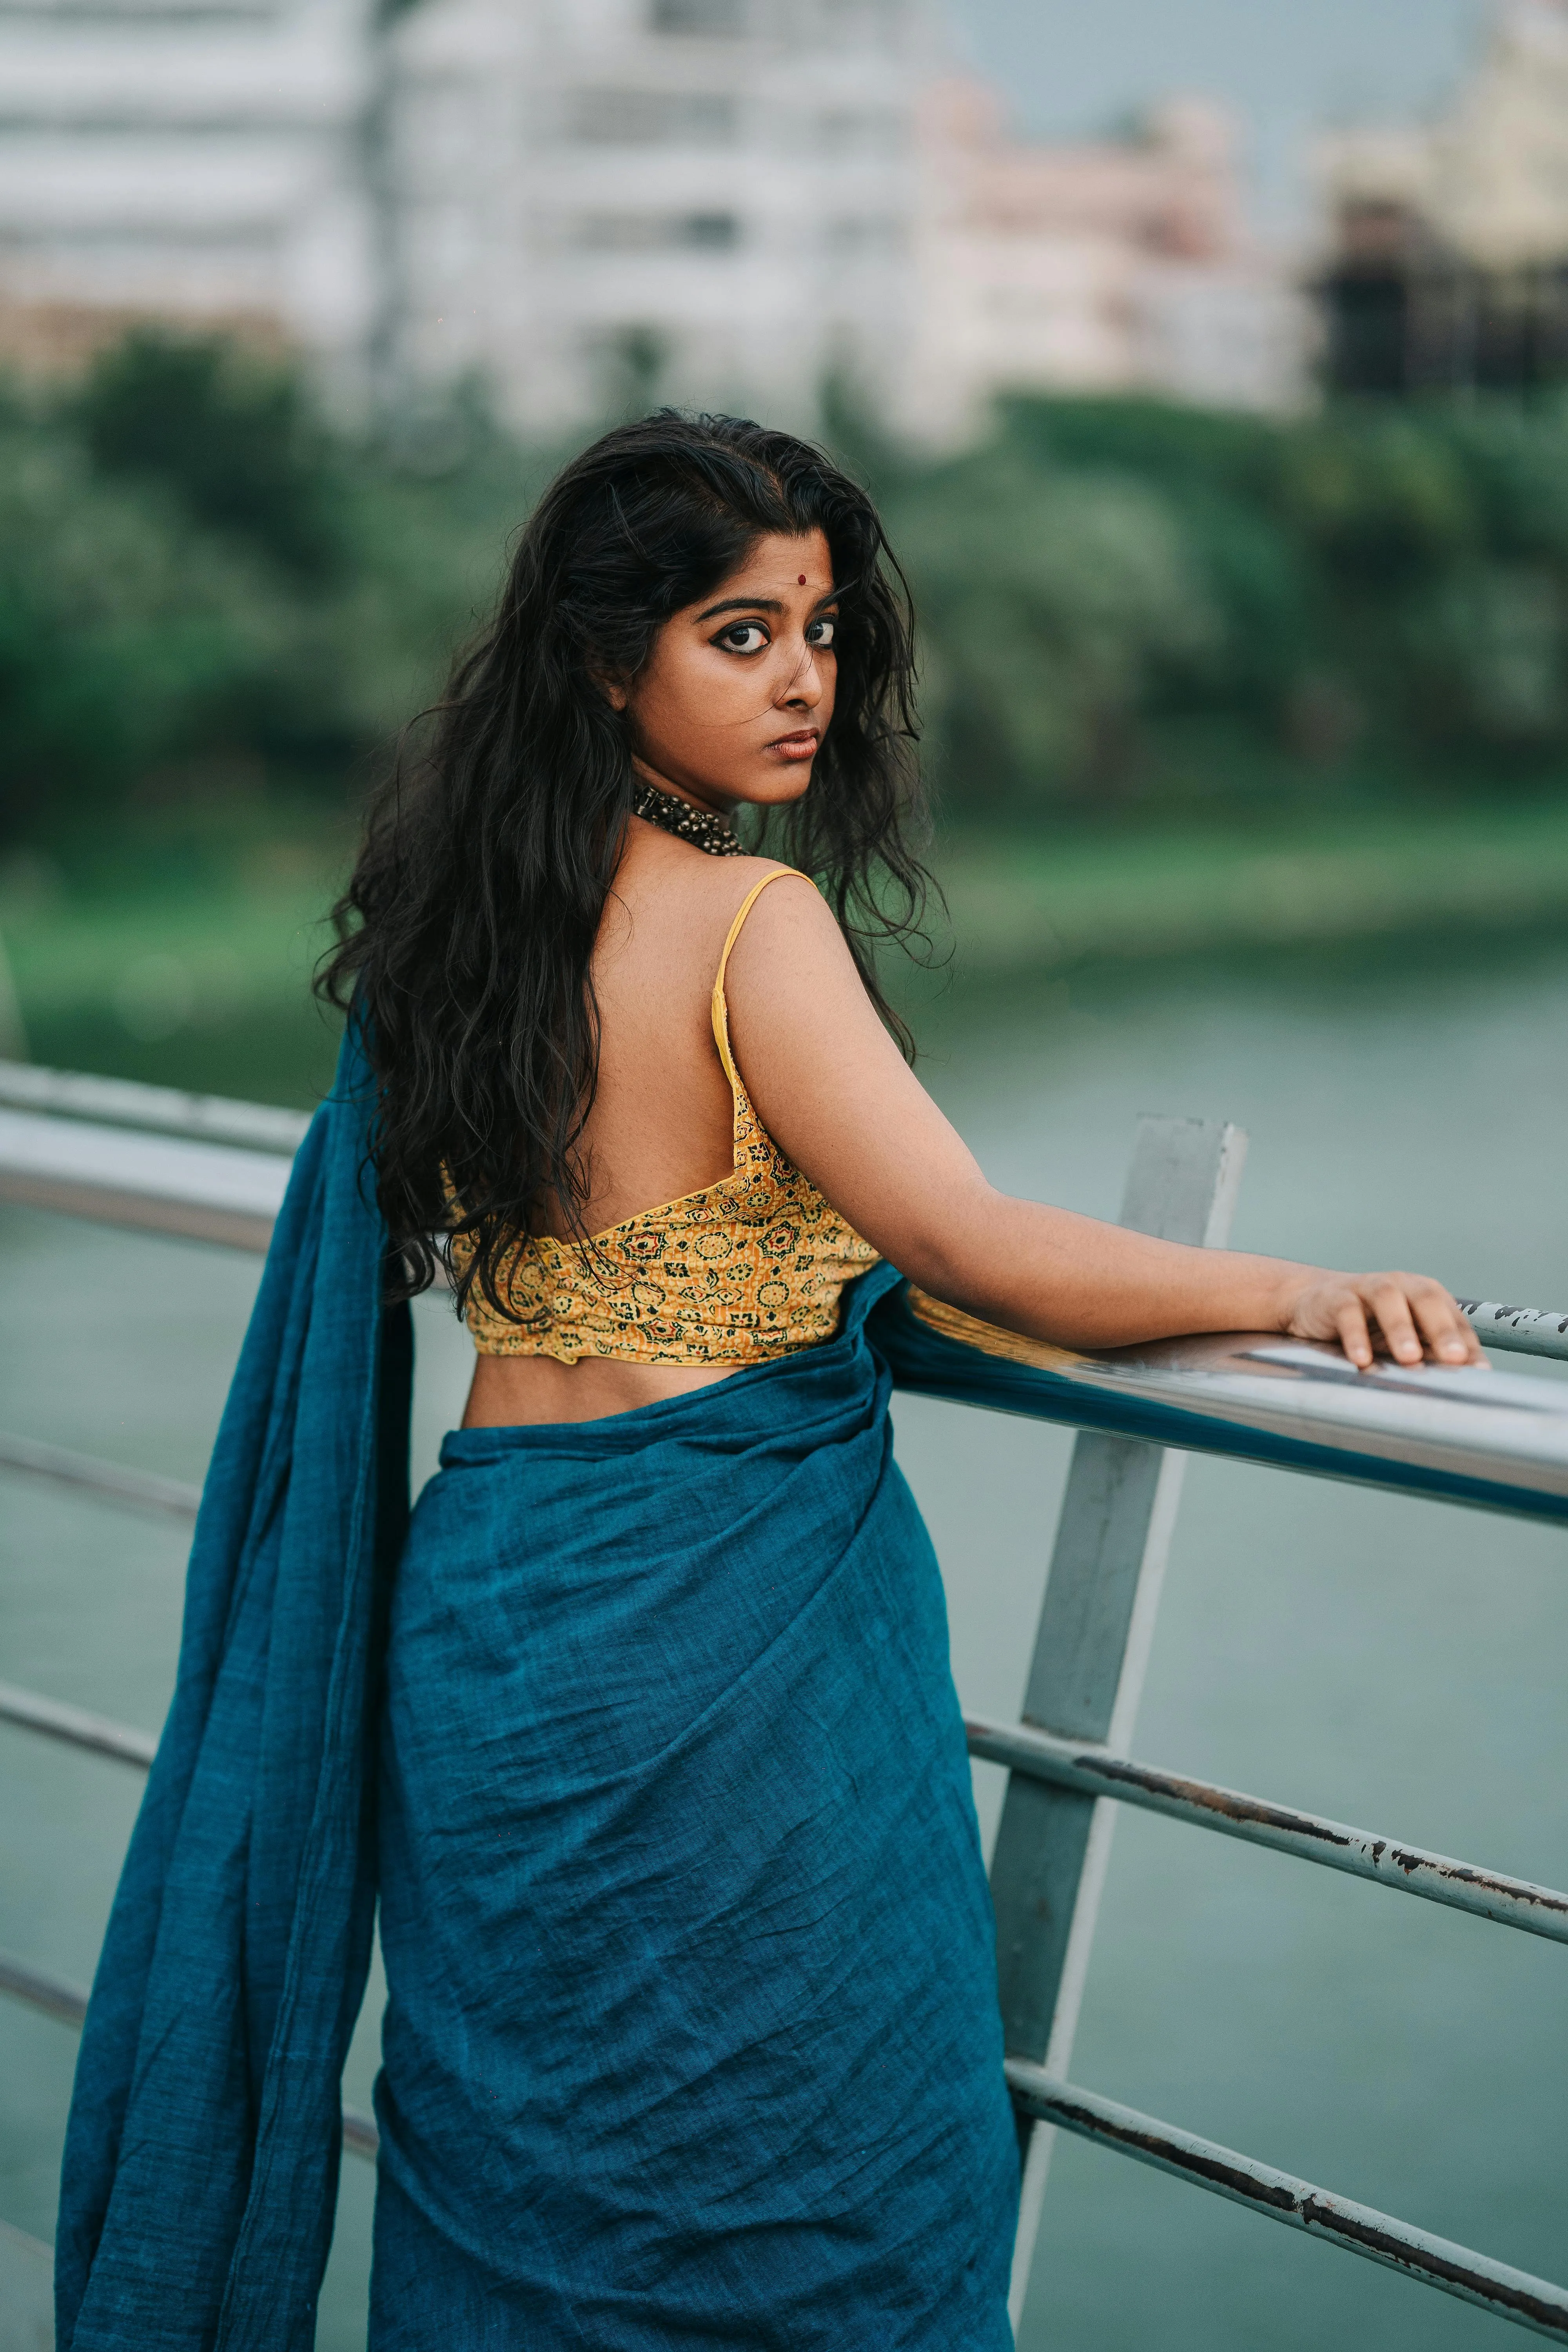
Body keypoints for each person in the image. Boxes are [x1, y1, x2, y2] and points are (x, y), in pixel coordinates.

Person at [55, 412, 1484, 2352]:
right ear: (600, 654)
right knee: (825, 2175)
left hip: (492, 1629)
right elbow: (970, 1247)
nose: (806, 677)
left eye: (819, 628)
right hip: (719, 1636)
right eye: (741, 633)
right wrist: (1300, 1287)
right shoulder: (752, 923)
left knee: (520, 2173)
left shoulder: (447, 930)